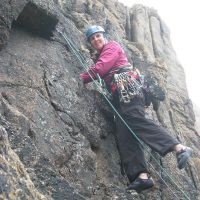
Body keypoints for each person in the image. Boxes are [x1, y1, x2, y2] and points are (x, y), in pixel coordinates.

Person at [80, 25, 192, 193]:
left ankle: (178, 147)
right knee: (125, 134)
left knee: (136, 121)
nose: (96, 40)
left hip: (128, 89)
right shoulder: (100, 54)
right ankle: (142, 176)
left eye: (98, 36)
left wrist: (81, 77)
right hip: (119, 94)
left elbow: (102, 68)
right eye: (92, 38)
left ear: (104, 36)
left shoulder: (112, 47)